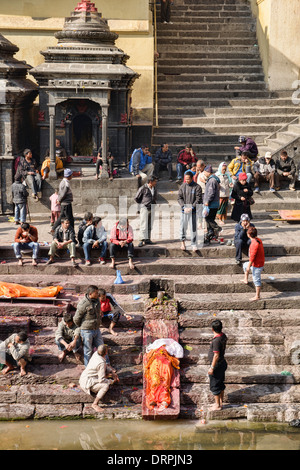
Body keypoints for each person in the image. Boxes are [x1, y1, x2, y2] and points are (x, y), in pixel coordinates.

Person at [79, 344, 119, 412]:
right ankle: (95, 404)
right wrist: (112, 381)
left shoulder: (96, 354)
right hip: (88, 383)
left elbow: (104, 366)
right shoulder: (101, 363)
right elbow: (101, 380)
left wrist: (112, 372)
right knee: (105, 386)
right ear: (106, 353)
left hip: (84, 378)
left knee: (105, 375)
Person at [73, 285, 104, 367]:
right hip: (87, 330)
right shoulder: (83, 304)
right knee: (88, 350)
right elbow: (76, 318)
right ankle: (88, 368)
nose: (98, 294)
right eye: (96, 293)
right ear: (90, 294)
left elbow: (99, 311)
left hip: (96, 329)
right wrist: (83, 327)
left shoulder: (97, 300)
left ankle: (107, 365)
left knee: (102, 347)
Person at [178, 170, 202, 251]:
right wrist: (183, 207)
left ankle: (193, 243)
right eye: (186, 179)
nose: (187, 180)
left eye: (188, 179)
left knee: (193, 228)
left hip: (193, 211)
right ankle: (182, 242)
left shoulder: (197, 187)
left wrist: (192, 207)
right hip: (184, 210)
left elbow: (198, 199)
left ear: (192, 178)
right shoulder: (182, 186)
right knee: (183, 227)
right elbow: (179, 198)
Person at [208, 320, 228, 411]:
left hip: (217, 365)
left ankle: (217, 405)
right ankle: (220, 402)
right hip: (222, 363)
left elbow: (216, 355)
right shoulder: (223, 336)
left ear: (212, 329)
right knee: (220, 383)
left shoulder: (216, 341)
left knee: (215, 385)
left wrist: (212, 367)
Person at [134, 176, 158, 247]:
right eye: (155, 181)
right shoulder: (143, 188)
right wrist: (143, 204)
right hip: (145, 208)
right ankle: (141, 240)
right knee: (143, 225)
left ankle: (147, 239)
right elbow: (136, 198)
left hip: (152, 207)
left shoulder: (154, 188)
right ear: (151, 181)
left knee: (150, 224)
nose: (156, 182)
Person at [243, 226, 265, 301]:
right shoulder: (258, 240)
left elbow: (252, 256)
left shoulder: (254, 244)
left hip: (257, 264)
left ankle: (257, 296)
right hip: (259, 262)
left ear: (248, 235)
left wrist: (249, 266)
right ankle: (245, 279)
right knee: (244, 265)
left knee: (256, 279)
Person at [202, 166, 221, 245]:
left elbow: (211, 192)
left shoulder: (212, 180)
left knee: (208, 219)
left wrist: (207, 201)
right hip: (214, 203)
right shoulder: (213, 180)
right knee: (209, 221)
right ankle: (210, 236)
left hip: (211, 204)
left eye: (205, 172)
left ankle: (217, 228)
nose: (204, 173)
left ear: (208, 172)